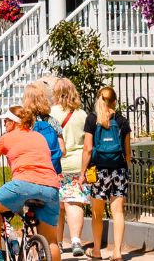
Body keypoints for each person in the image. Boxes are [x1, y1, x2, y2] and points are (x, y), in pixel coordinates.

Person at [0, 106, 62, 261]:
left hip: (24, 184)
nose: (5, 124)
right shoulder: (39, 137)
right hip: (51, 188)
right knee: (51, 240)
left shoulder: (7, 138)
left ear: (13, 122)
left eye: (6, 121)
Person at [83, 86, 132, 261]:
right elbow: (128, 152)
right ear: (115, 101)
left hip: (98, 170)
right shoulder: (122, 121)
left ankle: (96, 251)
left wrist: (83, 172)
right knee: (117, 211)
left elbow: (88, 149)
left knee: (97, 212)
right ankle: (117, 252)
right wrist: (125, 170)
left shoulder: (92, 119)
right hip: (118, 170)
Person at [51, 79, 90, 258]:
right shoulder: (82, 114)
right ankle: (75, 240)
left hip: (57, 164)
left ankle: (56, 243)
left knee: (57, 205)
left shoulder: (51, 114)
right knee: (74, 202)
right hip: (78, 163)